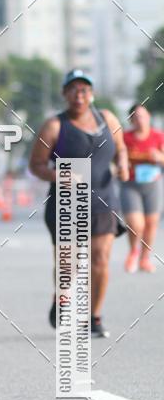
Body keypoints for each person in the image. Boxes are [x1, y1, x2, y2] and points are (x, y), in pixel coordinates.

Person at [29, 69, 129, 338]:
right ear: (64, 94)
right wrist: (59, 174)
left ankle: (93, 317)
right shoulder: (54, 126)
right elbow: (36, 165)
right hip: (66, 205)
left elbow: (121, 148)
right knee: (68, 265)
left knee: (100, 259)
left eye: (84, 89)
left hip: (103, 200)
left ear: (91, 93)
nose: (79, 94)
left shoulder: (107, 118)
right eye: (73, 89)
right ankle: (60, 299)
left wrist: (122, 164)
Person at [121, 103, 164, 274]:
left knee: (151, 223)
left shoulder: (158, 136)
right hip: (131, 185)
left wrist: (159, 157)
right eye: (137, 117)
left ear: (149, 118)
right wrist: (122, 166)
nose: (141, 120)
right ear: (131, 120)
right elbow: (117, 158)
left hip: (152, 184)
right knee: (135, 223)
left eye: (144, 116)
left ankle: (144, 258)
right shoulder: (125, 138)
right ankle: (133, 251)